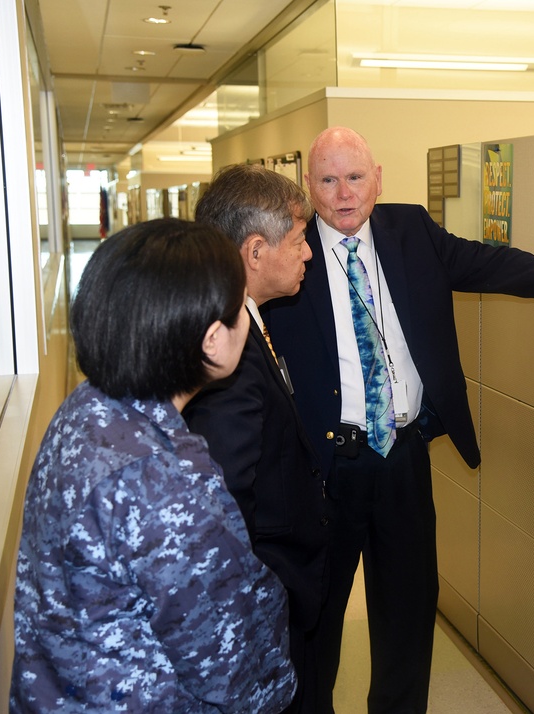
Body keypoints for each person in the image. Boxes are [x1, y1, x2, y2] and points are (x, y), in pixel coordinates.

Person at [264, 125, 534, 713]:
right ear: (308, 186)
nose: (344, 193)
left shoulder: (409, 229)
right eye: (329, 180)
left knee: (409, 617)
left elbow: (486, 264)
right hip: (324, 469)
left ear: (378, 179)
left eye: (356, 177)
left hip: (403, 458)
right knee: (315, 625)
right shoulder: (292, 253)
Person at [10, 218, 297, 713]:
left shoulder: (86, 410)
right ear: (213, 340)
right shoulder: (162, 477)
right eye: (238, 307)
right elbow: (225, 660)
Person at [184, 164, 334, 714]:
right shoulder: (230, 362)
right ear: (254, 251)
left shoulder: (247, 324)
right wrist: (266, 598)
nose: (308, 254)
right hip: (268, 592)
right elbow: (227, 505)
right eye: (298, 241)